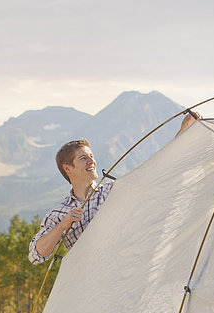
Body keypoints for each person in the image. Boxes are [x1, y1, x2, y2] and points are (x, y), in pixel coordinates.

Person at [28, 112, 200, 264]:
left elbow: (152, 173)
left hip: (122, 277)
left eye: (92, 156)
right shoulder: (59, 213)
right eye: (83, 158)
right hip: (85, 287)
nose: (91, 161)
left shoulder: (111, 190)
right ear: (68, 168)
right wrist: (63, 225)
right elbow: (36, 256)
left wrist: (183, 132)